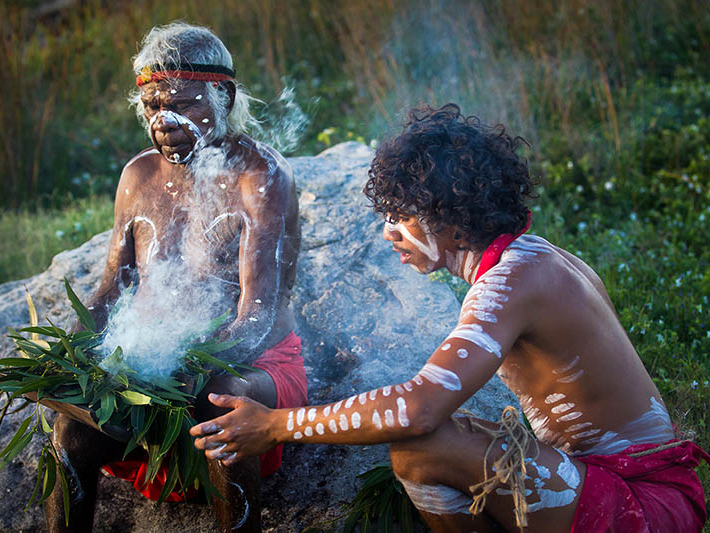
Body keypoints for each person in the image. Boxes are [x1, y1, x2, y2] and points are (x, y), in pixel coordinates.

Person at [191, 104, 709, 532]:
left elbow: (417, 409)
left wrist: (276, 425)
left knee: (422, 446)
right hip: (620, 486)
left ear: (454, 221)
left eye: (402, 216)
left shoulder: (512, 282)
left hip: (642, 507)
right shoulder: (531, 260)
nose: (389, 232)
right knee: (445, 433)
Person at [45, 22, 307, 533]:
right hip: (150, 373)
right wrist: (72, 360)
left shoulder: (260, 178)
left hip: (253, 365)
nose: (163, 121)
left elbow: (257, 317)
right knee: (68, 431)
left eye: (184, 104)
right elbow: (109, 294)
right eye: (150, 107)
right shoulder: (138, 177)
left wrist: (173, 371)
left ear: (223, 96)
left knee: (221, 402)